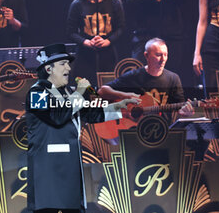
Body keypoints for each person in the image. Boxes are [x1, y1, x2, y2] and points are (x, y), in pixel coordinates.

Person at [25, 44, 138, 213]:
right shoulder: (37, 93)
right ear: (48, 69)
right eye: (63, 64)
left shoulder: (67, 93)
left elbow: (91, 114)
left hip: (69, 162)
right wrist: (79, 93)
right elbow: (57, 118)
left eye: (68, 64)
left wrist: (120, 109)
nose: (68, 68)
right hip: (47, 166)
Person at [98, 37, 194, 124]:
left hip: (163, 130)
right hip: (135, 130)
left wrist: (186, 113)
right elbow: (102, 91)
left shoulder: (173, 78)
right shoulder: (133, 76)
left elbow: (181, 109)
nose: (163, 59)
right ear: (146, 56)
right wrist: (125, 95)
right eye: (158, 55)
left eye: (165, 55)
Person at [126, 0, 192, 85]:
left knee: (171, 81)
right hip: (144, 36)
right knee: (141, 80)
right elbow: (131, 5)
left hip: (173, 37)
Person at [66, 0, 125, 85]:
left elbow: (121, 28)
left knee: (108, 92)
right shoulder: (77, 4)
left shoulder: (114, 2)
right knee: (86, 93)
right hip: (85, 57)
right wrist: (86, 42)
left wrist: (108, 41)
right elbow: (70, 32)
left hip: (108, 55)